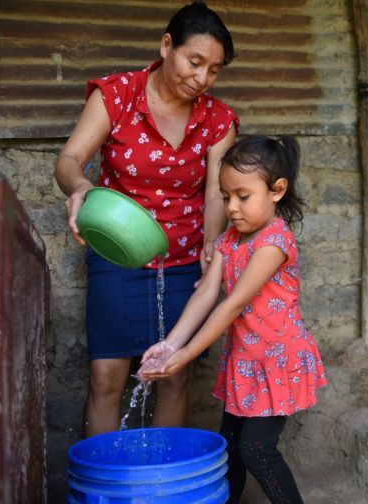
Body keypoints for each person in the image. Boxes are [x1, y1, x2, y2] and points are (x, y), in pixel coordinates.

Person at [54, 1, 239, 437]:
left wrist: (211, 244)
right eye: (194, 62)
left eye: (214, 70)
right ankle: (103, 488)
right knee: (107, 377)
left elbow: (215, 190)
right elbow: (70, 159)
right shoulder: (117, 94)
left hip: (183, 261)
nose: (201, 78)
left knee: (172, 375)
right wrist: (81, 187)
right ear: (166, 45)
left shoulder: (218, 120)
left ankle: (163, 483)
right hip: (117, 253)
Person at [137, 135, 327, 504]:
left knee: (256, 449)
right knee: (231, 448)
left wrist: (187, 355)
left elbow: (232, 304)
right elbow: (207, 293)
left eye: (243, 196)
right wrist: (171, 344)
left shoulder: (273, 242)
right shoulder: (230, 239)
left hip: (276, 360)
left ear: (277, 191)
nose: (232, 207)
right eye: (225, 197)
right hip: (245, 361)